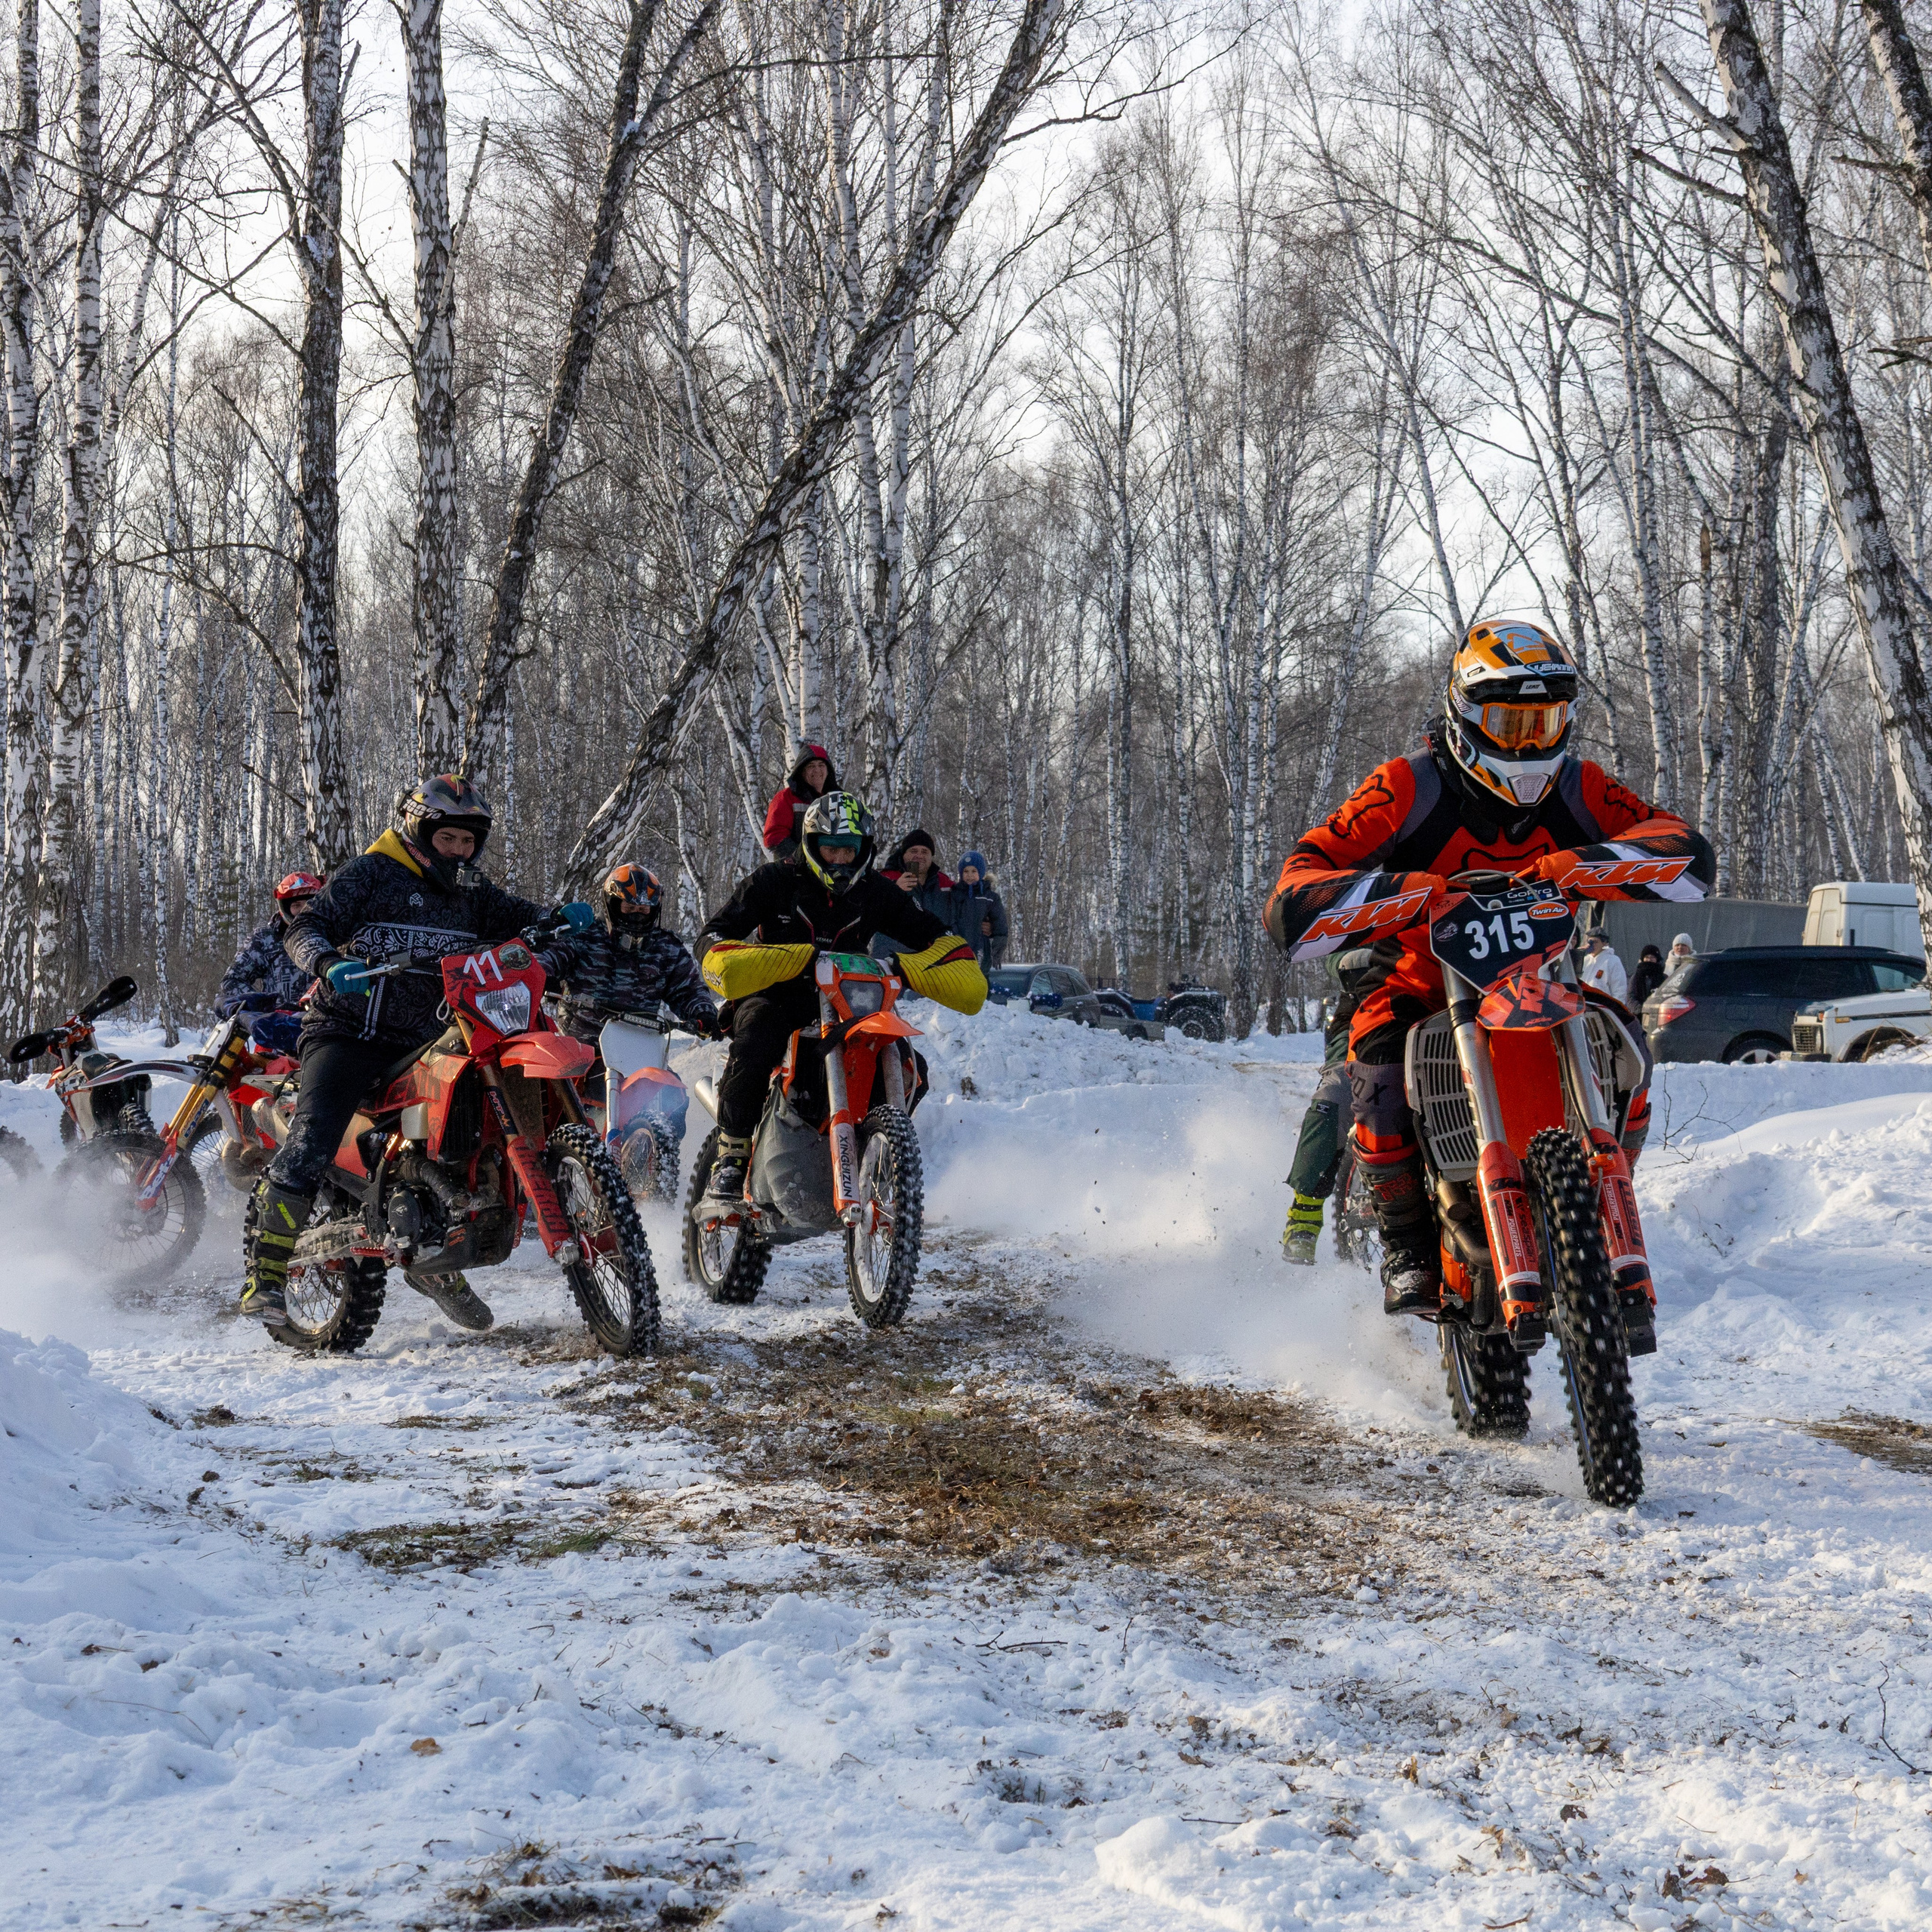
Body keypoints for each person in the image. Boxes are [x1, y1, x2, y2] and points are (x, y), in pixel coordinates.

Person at [1264, 618, 1714, 1334]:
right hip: (1421, 982)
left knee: (1625, 1037)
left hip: (1543, 981)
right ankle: (1408, 1245)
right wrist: (1402, 892)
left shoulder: (1578, 786)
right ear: (1467, 714)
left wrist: (1583, 864)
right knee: (1373, 1070)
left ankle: (1601, 1193)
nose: (1531, 742)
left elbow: (1685, 852)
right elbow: (1297, 888)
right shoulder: (1406, 785)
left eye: (1547, 722)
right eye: (1512, 721)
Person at [241, 775, 573, 1334]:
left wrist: (565, 918)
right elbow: (306, 926)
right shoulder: (368, 875)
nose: (461, 851)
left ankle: (436, 1247)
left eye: (470, 841)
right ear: (420, 830)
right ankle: (265, 1276)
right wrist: (327, 964)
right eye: (450, 840)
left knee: (467, 1133)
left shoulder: (471, 892)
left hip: (429, 1037)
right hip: (347, 1033)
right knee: (314, 1135)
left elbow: (524, 916)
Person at [696, 792, 987, 1202]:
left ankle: (875, 1153)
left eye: (848, 850)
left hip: (849, 1003)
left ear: (863, 850)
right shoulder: (773, 880)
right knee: (757, 1040)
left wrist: (921, 965)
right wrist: (748, 958)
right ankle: (732, 1157)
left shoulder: (876, 892)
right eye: (829, 848)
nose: (838, 859)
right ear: (811, 845)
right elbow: (712, 935)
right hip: (777, 994)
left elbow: (936, 937)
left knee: (911, 1066)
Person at [544, 861, 721, 1093]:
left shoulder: (666, 948)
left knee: (672, 1093)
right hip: (580, 1053)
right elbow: (547, 959)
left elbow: (688, 990)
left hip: (640, 1051)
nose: (637, 916)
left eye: (644, 911)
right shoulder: (584, 937)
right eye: (630, 909)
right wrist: (545, 975)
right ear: (613, 906)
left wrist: (703, 1013)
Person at [1281, 943, 1389, 1264]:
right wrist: (1360, 959)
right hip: (1370, 1011)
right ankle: (1304, 1215)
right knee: (1339, 1093)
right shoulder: (1381, 896)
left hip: (1484, 1003)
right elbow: (1335, 949)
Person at [217, 872, 327, 1054]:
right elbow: (232, 981)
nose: (303, 910)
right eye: (296, 905)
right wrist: (264, 1005)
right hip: (279, 1032)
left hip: (324, 1029)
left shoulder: (336, 934)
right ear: (285, 908)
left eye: (309, 904)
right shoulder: (265, 939)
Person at [762, 743, 838, 859]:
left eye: (821, 765)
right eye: (811, 766)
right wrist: (803, 858)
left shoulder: (836, 799)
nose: (817, 770)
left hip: (831, 867)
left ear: (828, 771)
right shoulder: (786, 798)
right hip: (793, 870)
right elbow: (774, 836)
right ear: (802, 771)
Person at [948, 851, 1008, 972]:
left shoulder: (990, 897)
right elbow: (950, 918)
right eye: (966, 871)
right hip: (957, 947)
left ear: (980, 873)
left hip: (980, 946)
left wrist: (997, 950)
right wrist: (955, 938)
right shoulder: (954, 894)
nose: (970, 875)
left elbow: (1000, 925)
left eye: (974, 871)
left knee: (980, 977)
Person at [1580, 930, 1629, 1004]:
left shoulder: (1612, 961)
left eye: (1596, 942)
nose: (1592, 945)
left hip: (1603, 1006)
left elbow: (1619, 988)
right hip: (1584, 1005)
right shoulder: (1584, 961)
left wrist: (1616, 1007)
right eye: (1590, 942)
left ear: (1604, 943)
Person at [1628, 943, 1666, 1008]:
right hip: (1639, 1014)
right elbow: (1631, 996)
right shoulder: (1635, 977)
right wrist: (1639, 1010)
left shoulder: (1664, 977)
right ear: (1643, 959)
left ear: (1657, 959)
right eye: (1647, 957)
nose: (1649, 960)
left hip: (1658, 1013)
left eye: (1652, 957)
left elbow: (1667, 996)